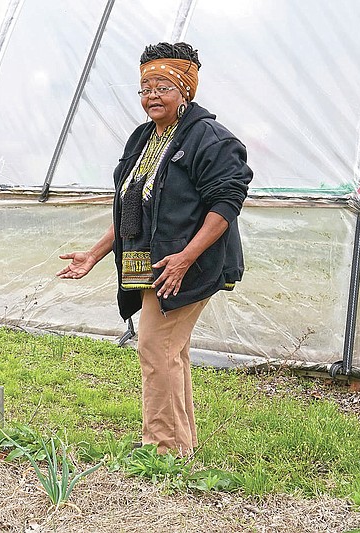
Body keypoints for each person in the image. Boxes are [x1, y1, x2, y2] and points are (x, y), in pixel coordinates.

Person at [57, 42, 252, 456]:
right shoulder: (144, 138)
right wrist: (95, 253)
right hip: (150, 262)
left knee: (155, 346)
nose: (151, 97)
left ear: (185, 88)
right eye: (145, 88)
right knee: (169, 350)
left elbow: (226, 204)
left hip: (188, 263)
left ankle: (162, 452)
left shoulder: (210, 138)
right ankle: (179, 448)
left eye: (162, 86)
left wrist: (186, 258)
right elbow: (133, 205)